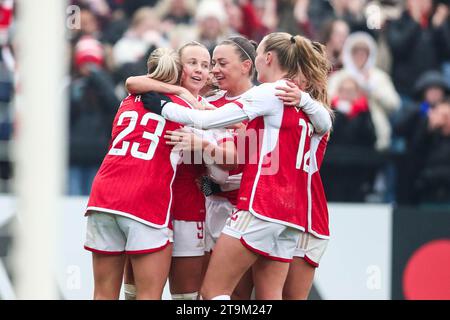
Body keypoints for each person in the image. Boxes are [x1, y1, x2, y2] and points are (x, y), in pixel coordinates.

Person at [141, 32, 332, 300]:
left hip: (259, 206)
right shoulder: (302, 105)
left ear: (265, 59)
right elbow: (324, 124)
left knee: (214, 292)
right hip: (289, 213)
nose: (213, 70)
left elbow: (222, 137)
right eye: (212, 63)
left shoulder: (269, 94)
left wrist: (165, 107)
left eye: (221, 63)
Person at [124, 41, 237, 300]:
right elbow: (132, 82)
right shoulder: (155, 96)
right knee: (136, 293)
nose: (199, 70)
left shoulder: (211, 112)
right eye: (192, 63)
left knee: (186, 297)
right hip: (146, 203)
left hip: (187, 206)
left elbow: (230, 162)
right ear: (177, 67)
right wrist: (179, 92)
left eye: (205, 65)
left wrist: (204, 146)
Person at [84, 47, 189, 300]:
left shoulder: (127, 100)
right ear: (180, 74)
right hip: (144, 197)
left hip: (104, 194)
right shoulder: (185, 107)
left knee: (103, 294)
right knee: (148, 295)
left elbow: (132, 83)